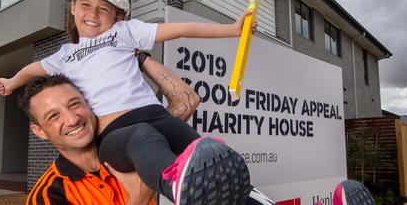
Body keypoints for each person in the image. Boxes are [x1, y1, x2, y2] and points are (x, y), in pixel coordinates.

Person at [0, 0, 253, 204]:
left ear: (117, 16)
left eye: (103, 9)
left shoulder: (126, 32)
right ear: (73, 7)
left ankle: (247, 196)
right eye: (85, 5)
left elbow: (180, 29)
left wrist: (231, 30)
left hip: (156, 116)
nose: (93, 14)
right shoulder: (64, 55)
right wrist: (11, 81)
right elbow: (31, 69)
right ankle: (175, 184)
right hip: (116, 134)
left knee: (202, 152)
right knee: (141, 137)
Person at [21, 55, 275, 205]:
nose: (72, 119)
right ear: (39, 131)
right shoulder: (48, 195)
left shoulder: (132, 145)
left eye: (75, 104)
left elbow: (187, 101)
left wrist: (138, 56)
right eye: (54, 116)